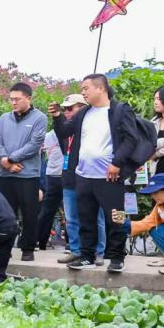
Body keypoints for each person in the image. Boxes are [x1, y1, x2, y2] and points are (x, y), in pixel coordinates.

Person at [56, 74, 155, 275]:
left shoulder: (118, 110)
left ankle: (117, 257)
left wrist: (116, 163)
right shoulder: (83, 113)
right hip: (83, 175)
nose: (83, 92)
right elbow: (65, 132)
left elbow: (130, 139)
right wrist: (57, 117)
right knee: (86, 218)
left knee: (115, 217)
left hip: (109, 176)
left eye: (86, 88)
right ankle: (87, 256)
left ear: (100, 88)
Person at [0, 82, 47, 261]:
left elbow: (34, 145)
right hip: (6, 174)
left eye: (17, 99)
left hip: (28, 174)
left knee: (30, 213)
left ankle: (28, 248)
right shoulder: (4, 118)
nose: (13, 103)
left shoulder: (40, 118)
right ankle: (4, 247)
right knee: (6, 213)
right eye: (11, 99)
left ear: (28, 98)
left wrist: (11, 159)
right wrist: (6, 162)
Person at [48, 94, 104, 264]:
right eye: (64, 109)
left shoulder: (93, 127)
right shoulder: (66, 129)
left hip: (91, 178)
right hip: (69, 178)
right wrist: (57, 117)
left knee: (96, 217)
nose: (67, 112)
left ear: (82, 108)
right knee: (71, 218)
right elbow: (61, 132)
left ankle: (99, 252)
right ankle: (75, 250)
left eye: (70, 108)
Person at [35, 128, 65, 250]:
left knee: (48, 210)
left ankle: (38, 240)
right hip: (62, 174)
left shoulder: (47, 136)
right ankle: (72, 244)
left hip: (52, 174)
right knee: (70, 211)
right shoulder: (70, 133)